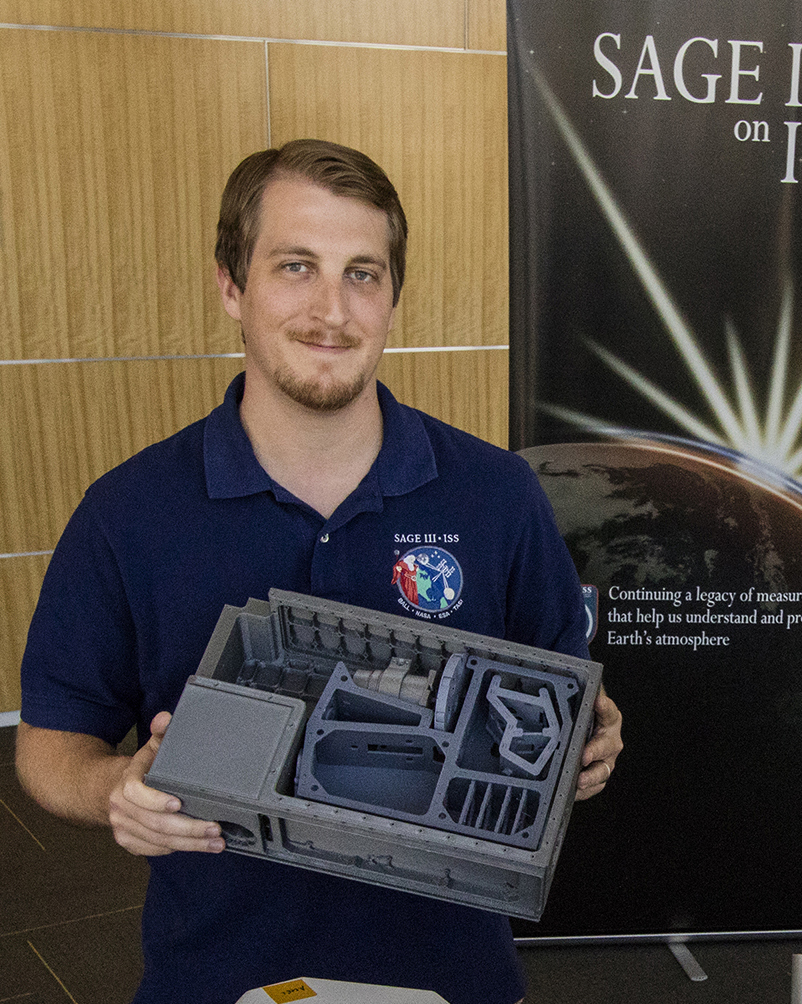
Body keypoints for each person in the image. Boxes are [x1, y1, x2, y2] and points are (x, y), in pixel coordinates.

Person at [14, 139, 623, 1004]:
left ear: (393, 298)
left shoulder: (497, 496)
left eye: (363, 274)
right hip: (220, 972)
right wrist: (115, 787)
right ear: (232, 286)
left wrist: (590, 744)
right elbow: (47, 747)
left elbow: (570, 699)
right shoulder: (128, 513)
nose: (332, 310)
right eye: (296, 267)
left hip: (453, 974)